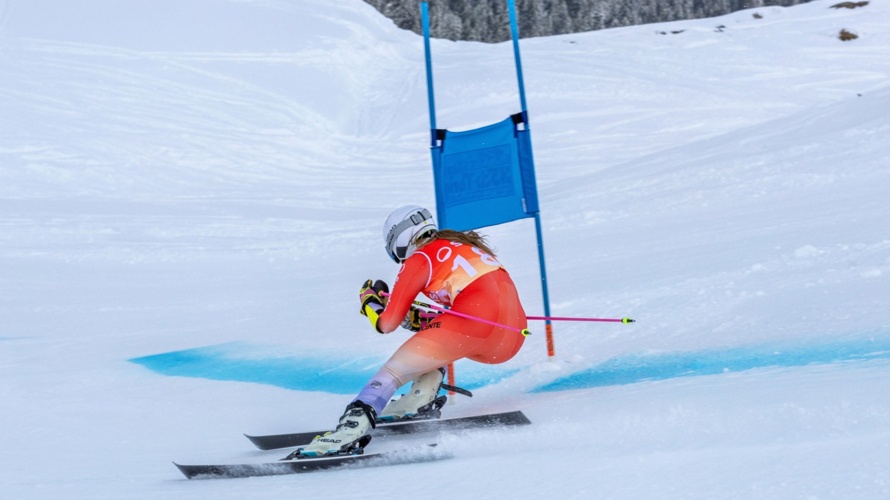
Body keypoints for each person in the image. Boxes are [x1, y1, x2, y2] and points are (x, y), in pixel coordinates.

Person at [292, 205, 528, 458]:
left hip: (475, 326)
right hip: (511, 337)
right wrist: (422, 318)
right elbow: (471, 310)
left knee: (392, 372)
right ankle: (419, 399)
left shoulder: (421, 257)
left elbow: (387, 323)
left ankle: (348, 433)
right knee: (437, 339)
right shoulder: (463, 247)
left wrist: (370, 303)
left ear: (399, 239)